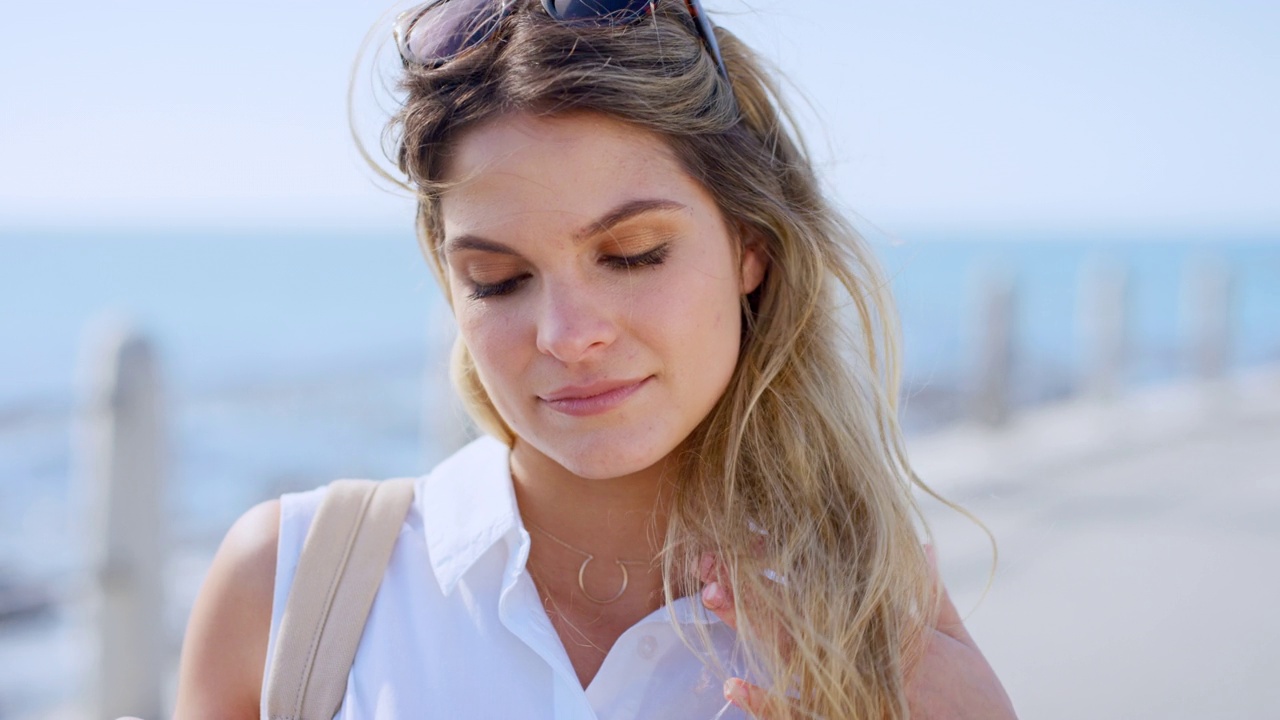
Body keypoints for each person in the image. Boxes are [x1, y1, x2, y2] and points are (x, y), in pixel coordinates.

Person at [174, 1, 1016, 718]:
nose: (567, 334)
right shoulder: (289, 586)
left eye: (635, 254)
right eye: (499, 280)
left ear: (749, 248)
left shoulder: (871, 640)